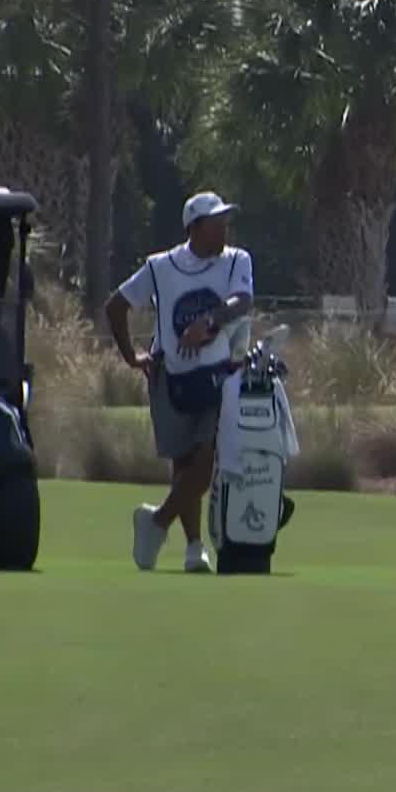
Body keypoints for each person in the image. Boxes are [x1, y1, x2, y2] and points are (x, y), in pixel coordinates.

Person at [106, 192, 255, 573]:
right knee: (185, 463)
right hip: (170, 375)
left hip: (218, 374)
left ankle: (156, 521)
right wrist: (131, 356)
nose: (225, 229)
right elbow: (116, 306)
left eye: (225, 221)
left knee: (208, 457)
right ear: (195, 228)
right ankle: (193, 548)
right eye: (217, 223)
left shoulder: (236, 259)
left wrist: (209, 322)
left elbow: (242, 300)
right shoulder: (161, 266)